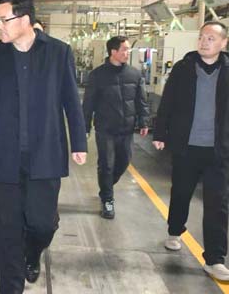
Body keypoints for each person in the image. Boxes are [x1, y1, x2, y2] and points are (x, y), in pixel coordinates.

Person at [0, 0, 87, 293]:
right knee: (7, 230)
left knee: (42, 224)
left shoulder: (58, 52)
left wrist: (79, 142)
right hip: (4, 155)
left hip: (45, 154)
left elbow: (71, 101)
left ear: (24, 19)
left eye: (4, 20)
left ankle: (33, 251)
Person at [153, 21, 229, 281]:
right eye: (202, 37)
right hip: (186, 147)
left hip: (219, 151)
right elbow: (168, 101)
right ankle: (175, 230)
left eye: (211, 38)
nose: (204, 42)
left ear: (223, 43)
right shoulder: (183, 68)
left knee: (218, 204)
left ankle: (215, 259)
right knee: (181, 193)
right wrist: (160, 133)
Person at [82, 36, 150, 219]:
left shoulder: (135, 74)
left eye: (128, 49)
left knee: (123, 161)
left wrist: (144, 121)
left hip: (126, 129)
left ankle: (106, 187)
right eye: (124, 49)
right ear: (113, 51)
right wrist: (85, 127)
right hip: (105, 129)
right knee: (107, 165)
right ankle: (107, 200)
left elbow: (141, 100)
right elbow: (88, 103)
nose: (128, 53)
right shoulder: (97, 75)